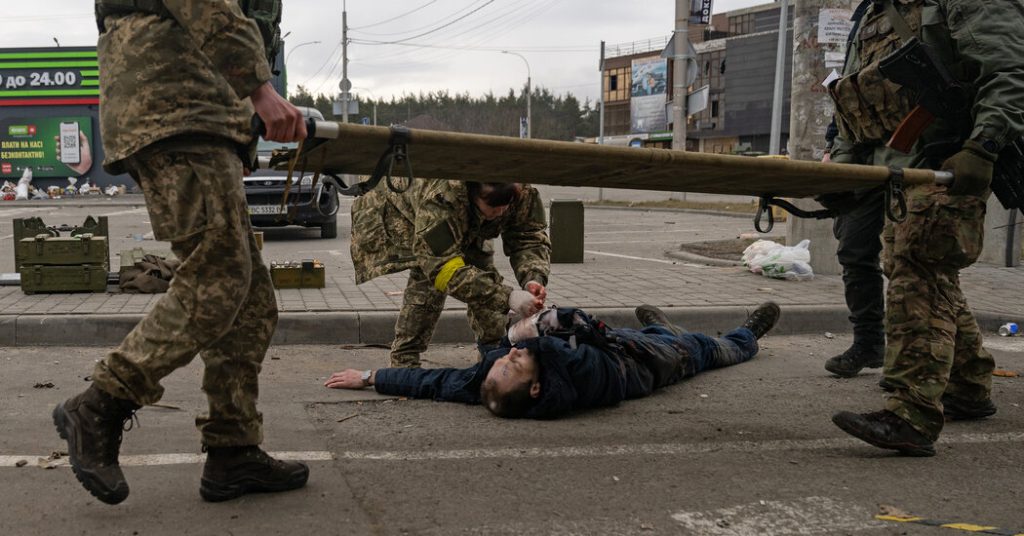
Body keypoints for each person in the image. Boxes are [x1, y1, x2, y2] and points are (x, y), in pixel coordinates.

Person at [52, 0, 309, 505]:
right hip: (176, 106)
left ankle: (233, 451)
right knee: (222, 274)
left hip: (197, 110)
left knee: (251, 299)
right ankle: (99, 404)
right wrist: (260, 90)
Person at [828, 0, 1023, 456]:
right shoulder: (873, 13)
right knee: (922, 271)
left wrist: (984, 145)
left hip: (948, 162)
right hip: (894, 170)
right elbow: (857, 101)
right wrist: (842, 170)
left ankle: (911, 413)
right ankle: (969, 387)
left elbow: (1011, 71)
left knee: (920, 271)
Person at [324, 303, 781, 419]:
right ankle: (750, 335)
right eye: (515, 363)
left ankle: (660, 322)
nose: (514, 357)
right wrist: (526, 330)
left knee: (652, 329)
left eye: (508, 361)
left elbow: (436, 381)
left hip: (622, 340)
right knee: (710, 348)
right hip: (655, 361)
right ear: (536, 387)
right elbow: (574, 328)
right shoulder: (579, 380)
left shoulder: (493, 386)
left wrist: (370, 376)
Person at [350, 179, 551, 368]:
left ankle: (492, 350)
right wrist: (509, 297)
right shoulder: (440, 199)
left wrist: (532, 278)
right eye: (493, 206)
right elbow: (442, 269)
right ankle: (404, 360)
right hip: (405, 213)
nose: (500, 212)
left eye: (506, 205)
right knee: (428, 285)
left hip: (465, 218)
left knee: (483, 276)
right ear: (473, 193)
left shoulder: (523, 192)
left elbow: (528, 237)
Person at [818, 119, 887, 379]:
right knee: (854, 251)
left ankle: (927, 361)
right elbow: (842, 106)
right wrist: (829, 151)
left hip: (915, 162)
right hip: (859, 164)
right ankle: (868, 343)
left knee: (915, 263)